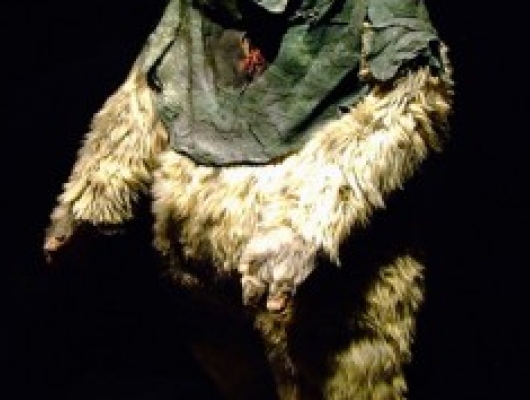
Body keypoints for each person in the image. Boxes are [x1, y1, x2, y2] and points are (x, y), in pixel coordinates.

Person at [44, 0, 454, 398]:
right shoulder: (199, 8)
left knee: (336, 377)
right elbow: (150, 89)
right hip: (205, 279)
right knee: (235, 374)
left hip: (321, 285)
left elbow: (411, 102)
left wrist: (308, 222)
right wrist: (93, 196)